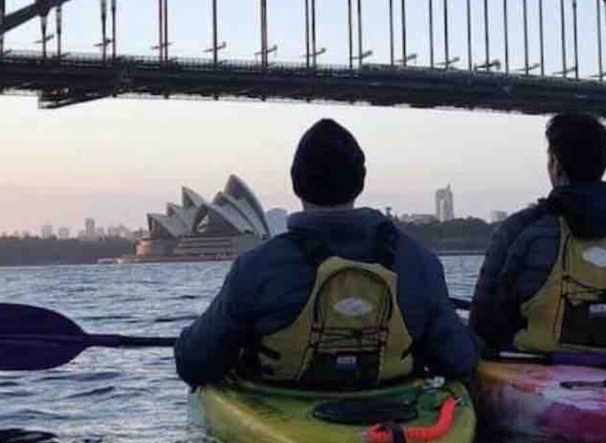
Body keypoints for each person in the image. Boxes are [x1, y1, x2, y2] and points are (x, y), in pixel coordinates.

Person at [174, 118, 479, 389]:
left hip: (283, 413)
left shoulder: (256, 268)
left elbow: (195, 363)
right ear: (360, 181)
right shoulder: (419, 262)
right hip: (394, 414)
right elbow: (460, 360)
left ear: (296, 183)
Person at [469, 113, 606, 355]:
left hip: (531, 377)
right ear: (603, 164)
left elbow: (482, 329)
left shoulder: (517, 231)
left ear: (555, 163)